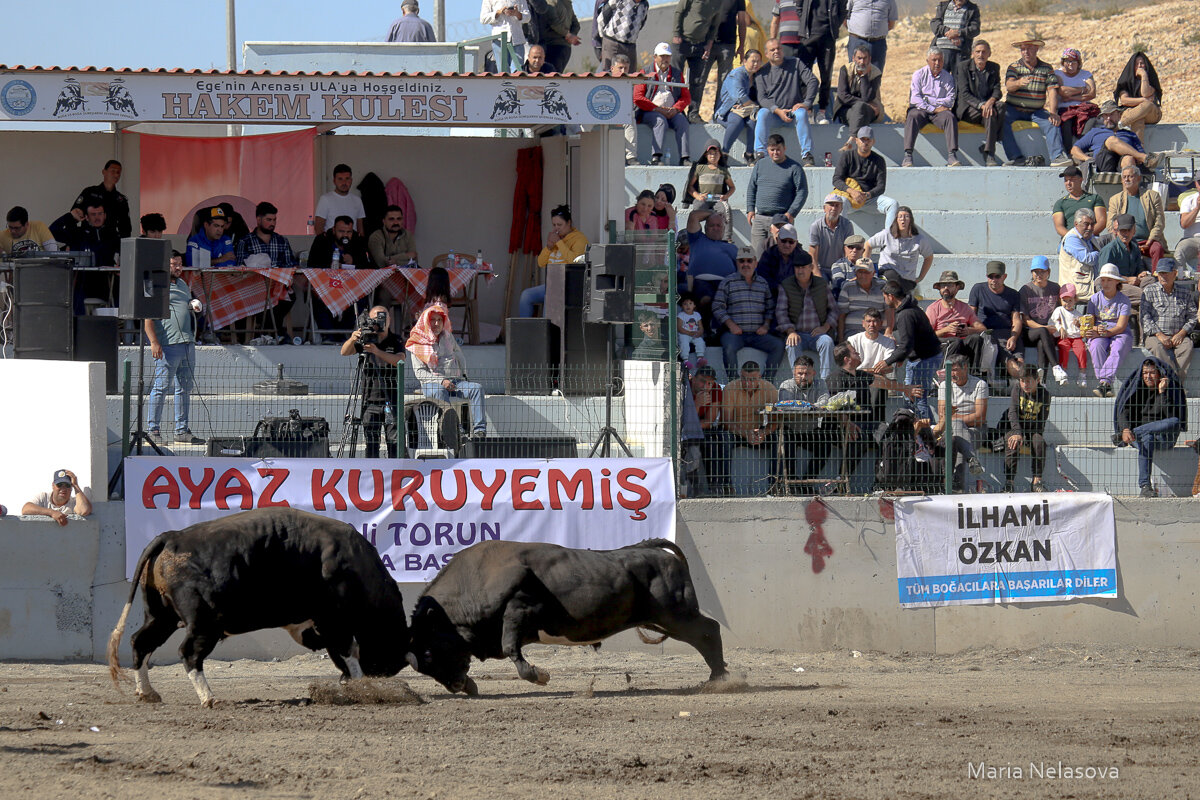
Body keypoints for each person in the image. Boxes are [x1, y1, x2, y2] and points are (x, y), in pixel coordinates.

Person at [828, 340, 920, 491]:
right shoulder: (836, 377)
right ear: (847, 359)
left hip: (870, 423)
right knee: (859, 440)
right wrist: (847, 424)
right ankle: (840, 482)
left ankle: (884, 483)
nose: (858, 354)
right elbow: (833, 406)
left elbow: (882, 382)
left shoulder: (862, 375)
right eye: (854, 352)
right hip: (847, 425)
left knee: (890, 436)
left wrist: (905, 389)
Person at [145, 252, 205, 444]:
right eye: (174, 264)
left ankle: (182, 430)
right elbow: (148, 319)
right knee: (161, 388)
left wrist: (192, 306)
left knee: (184, 389)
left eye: (180, 264)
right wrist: (154, 342)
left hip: (187, 343)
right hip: (168, 345)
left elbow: (183, 307)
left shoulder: (183, 285)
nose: (178, 268)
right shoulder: (157, 286)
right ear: (165, 265)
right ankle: (153, 430)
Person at [406, 303, 488, 440]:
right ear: (426, 321)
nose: (436, 323)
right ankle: (456, 429)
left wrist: (463, 376)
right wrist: (442, 381)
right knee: (439, 391)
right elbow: (420, 373)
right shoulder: (417, 343)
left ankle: (480, 431)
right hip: (432, 383)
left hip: (455, 381)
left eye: (439, 320)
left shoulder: (447, 337)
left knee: (476, 389)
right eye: (433, 320)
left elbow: (459, 356)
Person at [1114, 357, 1186, 498]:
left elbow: (1171, 418)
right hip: (1140, 438)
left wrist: (1162, 393)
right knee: (1147, 438)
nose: (1148, 376)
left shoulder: (1168, 390)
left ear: (1159, 374)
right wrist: (1125, 429)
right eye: (1145, 373)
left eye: (1152, 373)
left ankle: (1137, 432)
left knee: (1175, 421)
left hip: (1164, 437)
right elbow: (1124, 412)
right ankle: (1145, 486)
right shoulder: (1136, 390)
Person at [714, 246, 785, 382]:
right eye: (742, 261)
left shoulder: (763, 283)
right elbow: (717, 306)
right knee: (728, 348)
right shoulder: (728, 282)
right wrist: (731, 325)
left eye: (749, 261)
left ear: (755, 263)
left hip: (757, 335)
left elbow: (770, 308)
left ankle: (766, 383)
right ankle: (734, 384)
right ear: (737, 263)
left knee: (778, 345)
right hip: (735, 334)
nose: (745, 264)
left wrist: (766, 325)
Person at [341, 305, 404, 457]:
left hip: (391, 399)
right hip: (370, 400)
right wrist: (353, 338)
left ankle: (395, 473)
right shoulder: (365, 338)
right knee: (371, 443)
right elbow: (344, 352)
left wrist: (377, 351)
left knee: (394, 441)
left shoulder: (395, 340)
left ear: (389, 320)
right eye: (375, 318)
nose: (379, 321)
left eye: (383, 317)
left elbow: (400, 360)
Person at [876, 280, 941, 422]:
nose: (884, 299)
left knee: (917, 397)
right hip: (921, 357)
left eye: (884, 296)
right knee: (910, 397)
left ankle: (927, 435)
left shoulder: (905, 314)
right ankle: (920, 432)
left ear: (891, 296)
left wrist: (887, 361)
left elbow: (906, 344)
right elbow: (911, 342)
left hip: (924, 359)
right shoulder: (910, 310)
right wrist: (901, 357)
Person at [1002, 38, 1069, 168]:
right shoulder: (1014, 67)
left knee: (1052, 121)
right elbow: (1009, 86)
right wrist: (1018, 83)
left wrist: (1053, 112)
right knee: (1001, 120)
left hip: (1036, 110)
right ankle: (1015, 157)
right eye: (1023, 49)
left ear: (1036, 49)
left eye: (1029, 49)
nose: (1026, 52)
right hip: (1013, 108)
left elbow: (1052, 90)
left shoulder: (1046, 68)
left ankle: (1057, 156)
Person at [236, 202, 299, 341]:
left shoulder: (282, 240)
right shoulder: (245, 241)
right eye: (269, 220)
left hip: (278, 286)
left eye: (274, 220)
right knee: (260, 300)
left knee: (290, 297)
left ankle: (267, 332)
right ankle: (276, 333)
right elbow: (240, 268)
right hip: (254, 287)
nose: (272, 223)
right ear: (258, 220)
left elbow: (290, 265)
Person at [753, 38, 818, 166]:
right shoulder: (761, 73)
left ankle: (807, 155)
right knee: (762, 113)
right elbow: (762, 98)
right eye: (772, 50)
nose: (776, 51)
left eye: (778, 48)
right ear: (766, 54)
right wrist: (777, 111)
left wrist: (806, 103)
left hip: (793, 112)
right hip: (774, 114)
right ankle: (760, 154)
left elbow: (812, 81)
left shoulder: (796, 63)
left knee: (802, 114)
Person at [775, 251, 836, 378]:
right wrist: (790, 331)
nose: (800, 271)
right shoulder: (786, 285)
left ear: (811, 268)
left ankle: (826, 383)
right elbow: (781, 312)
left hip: (818, 334)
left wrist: (825, 327)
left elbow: (834, 310)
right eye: (797, 267)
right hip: (797, 333)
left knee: (827, 342)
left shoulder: (821, 284)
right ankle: (797, 381)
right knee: (791, 344)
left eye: (803, 267)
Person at [746, 133, 808, 256]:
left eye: (778, 149)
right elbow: (752, 188)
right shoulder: (760, 165)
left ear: (784, 148)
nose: (775, 153)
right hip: (759, 219)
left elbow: (802, 191)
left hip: (781, 219)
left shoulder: (794, 168)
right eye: (772, 150)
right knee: (757, 257)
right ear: (767, 150)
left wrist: (791, 213)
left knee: (780, 257)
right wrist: (750, 209)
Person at [932, 354, 987, 491]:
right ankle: (971, 461)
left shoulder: (980, 384)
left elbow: (980, 417)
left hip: (975, 431)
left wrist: (955, 418)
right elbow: (942, 416)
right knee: (956, 438)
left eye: (955, 369)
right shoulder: (945, 385)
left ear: (965, 368)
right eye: (949, 370)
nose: (952, 373)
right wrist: (956, 420)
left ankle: (954, 488)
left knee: (956, 431)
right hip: (951, 432)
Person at [520, 204, 588, 317]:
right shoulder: (556, 239)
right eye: (554, 225)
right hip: (552, 284)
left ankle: (547, 332)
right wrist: (549, 247)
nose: (556, 228)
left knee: (549, 296)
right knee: (526, 295)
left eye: (560, 224)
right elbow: (540, 263)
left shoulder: (579, 239)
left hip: (569, 286)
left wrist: (559, 243)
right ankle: (525, 332)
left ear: (569, 223)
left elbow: (575, 262)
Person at [776, 356, 832, 489]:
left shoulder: (821, 384)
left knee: (826, 445)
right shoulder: (786, 385)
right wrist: (811, 407)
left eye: (807, 373)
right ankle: (791, 484)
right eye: (799, 374)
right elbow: (786, 407)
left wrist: (802, 406)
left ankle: (807, 482)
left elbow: (825, 403)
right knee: (786, 443)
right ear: (794, 373)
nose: (803, 377)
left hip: (811, 430)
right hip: (791, 430)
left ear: (814, 373)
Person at [633, 43, 692, 167]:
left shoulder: (676, 73)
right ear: (655, 57)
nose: (665, 59)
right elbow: (638, 97)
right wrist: (657, 109)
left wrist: (676, 109)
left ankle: (685, 157)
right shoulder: (645, 72)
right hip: (650, 111)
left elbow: (686, 97)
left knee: (682, 121)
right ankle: (656, 157)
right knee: (660, 121)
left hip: (672, 111)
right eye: (662, 56)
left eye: (668, 56)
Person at [968, 260, 1025, 384]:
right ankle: (1025, 379)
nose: (994, 279)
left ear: (1004, 277)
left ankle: (1026, 379)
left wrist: (1014, 337)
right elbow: (971, 315)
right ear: (987, 277)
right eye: (990, 276)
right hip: (988, 333)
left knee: (1019, 359)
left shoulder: (1013, 294)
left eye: (997, 276)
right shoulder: (978, 289)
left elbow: (1016, 319)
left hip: (1008, 332)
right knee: (1010, 359)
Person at [790, 0, 846, 125]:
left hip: (828, 37)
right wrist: (805, 24)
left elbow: (843, 11)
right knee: (804, 75)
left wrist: (834, 26)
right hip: (808, 36)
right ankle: (808, 111)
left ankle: (822, 111)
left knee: (826, 74)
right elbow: (799, 7)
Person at [831, 125, 899, 229]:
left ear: (873, 142)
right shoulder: (847, 156)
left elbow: (881, 186)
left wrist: (866, 195)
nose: (865, 142)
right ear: (857, 140)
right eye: (862, 139)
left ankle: (888, 240)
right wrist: (852, 192)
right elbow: (836, 179)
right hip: (849, 198)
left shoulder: (879, 160)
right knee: (840, 202)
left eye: (868, 140)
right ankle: (841, 240)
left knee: (893, 204)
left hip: (869, 199)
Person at [902, 48, 960, 168]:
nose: (937, 63)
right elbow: (915, 99)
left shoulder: (947, 77)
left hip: (939, 113)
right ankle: (908, 155)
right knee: (912, 116)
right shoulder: (918, 74)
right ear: (927, 61)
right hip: (922, 110)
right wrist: (933, 107)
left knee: (949, 117)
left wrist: (929, 101)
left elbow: (950, 100)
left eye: (940, 60)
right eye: (934, 60)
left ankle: (952, 155)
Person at [1068, 100, 1162, 174]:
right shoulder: (1095, 132)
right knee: (1111, 141)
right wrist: (1086, 158)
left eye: (1112, 114)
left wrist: (1137, 160)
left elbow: (1139, 153)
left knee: (1128, 159)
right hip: (1104, 163)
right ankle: (1145, 158)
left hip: (1123, 165)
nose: (1108, 118)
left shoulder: (1130, 134)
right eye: (1105, 115)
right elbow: (1074, 149)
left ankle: (1127, 196)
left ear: (1119, 115)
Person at [1139, 258, 1195, 379]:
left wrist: (1182, 333)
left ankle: (1172, 384)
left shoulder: (1185, 292)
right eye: (1160, 273)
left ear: (1175, 273)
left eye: (1166, 273)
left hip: (1178, 336)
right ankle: (1174, 382)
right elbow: (1145, 317)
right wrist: (1159, 335)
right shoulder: (1149, 291)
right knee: (1158, 347)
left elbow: (1192, 317)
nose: (1163, 276)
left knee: (1187, 346)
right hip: (1155, 336)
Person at [1085, 263, 1133, 397]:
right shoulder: (1094, 299)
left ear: (1117, 281)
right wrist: (1095, 329)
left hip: (1119, 333)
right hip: (1100, 332)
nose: (1105, 283)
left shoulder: (1124, 300)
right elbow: (1090, 322)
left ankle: (1104, 382)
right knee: (1095, 346)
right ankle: (1105, 384)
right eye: (1103, 280)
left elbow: (1121, 326)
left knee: (1118, 347)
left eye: (1109, 280)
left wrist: (1105, 332)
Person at [954, 40, 1005, 167]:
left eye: (984, 52)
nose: (980, 55)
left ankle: (987, 147)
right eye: (977, 52)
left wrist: (990, 101)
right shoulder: (963, 67)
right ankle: (990, 153)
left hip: (987, 107)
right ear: (972, 53)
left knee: (1001, 107)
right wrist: (982, 106)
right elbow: (964, 93)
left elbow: (997, 90)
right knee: (990, 113)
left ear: (989, 54)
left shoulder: (994, 67)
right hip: (968, 108)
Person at [671, 0, 724, 121]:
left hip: (700, 45)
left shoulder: (718, 2)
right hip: (682, 42)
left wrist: (709, 43)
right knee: (676, 78)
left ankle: (693, 113)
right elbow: (679, 11)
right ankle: (677, 110)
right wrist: (676, 33)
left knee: (697, 81)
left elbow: (714, 25)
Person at [695, 0, 748, 118]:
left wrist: (741, 45)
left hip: (728, 44)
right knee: (700, 79)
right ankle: (693, 112)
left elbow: (742, 21)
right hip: (706, 44)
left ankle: (718, 114)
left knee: (724, 82)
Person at [1107, 165, 1167, 271]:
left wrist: (1149, 241)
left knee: (1157, 248)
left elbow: (1159, 221)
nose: (1127, 179)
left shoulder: (1152, 196)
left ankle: (1156, 279)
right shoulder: (1115, 200)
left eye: (1130, 176)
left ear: (1138, 178)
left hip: (1148, 241)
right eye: (1124, 177)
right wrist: (1125, 241)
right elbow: (1111, 224)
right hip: (1125, 241)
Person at [1003, 363, 1050, 493]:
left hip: (1033, 429)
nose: (1025, 384)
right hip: (1015, 427)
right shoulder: (1017, 389)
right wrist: (1018, 433)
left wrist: (1029, 435)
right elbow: (1012, 412)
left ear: (1038, 380)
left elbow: (1042, 420)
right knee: (1012, 441)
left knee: (1039, 442)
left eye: (1029, 381)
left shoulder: (1045, 394)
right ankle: (1009, 483)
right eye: (1022, 381)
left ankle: (1037, 482)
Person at [864, 206, 933, 294]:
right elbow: (868, 245)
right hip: (888, 277)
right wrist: (867, 267)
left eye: (906, 216)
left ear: (911, 220)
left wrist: (920, 277)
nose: (903, 220)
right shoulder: (886, 234)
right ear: (896, 219)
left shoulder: (919, 239)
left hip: (907, 280)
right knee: (891, 276)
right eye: (900, 216)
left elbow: (929, 257)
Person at [685, 206, 737, 322]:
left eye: (719, 225)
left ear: (723, 229)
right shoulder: (697, 239)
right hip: (701, 282)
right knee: (707, 298)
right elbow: (693, 216)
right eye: (712, 225)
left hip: (725, 284)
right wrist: (713, 213)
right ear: (706, 228)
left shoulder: (732, 248)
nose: (715, 228)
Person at [926, 269, 987, 368]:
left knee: (976, 338)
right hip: (941, 345)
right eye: (942, 285)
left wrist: (969, 330)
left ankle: (973, 373)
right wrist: (946, 330)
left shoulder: (964, 307)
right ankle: (944, 374)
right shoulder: (933, 308)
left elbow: (982, 329)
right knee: (955, 341)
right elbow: (926, 336)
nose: (945, 288)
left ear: (957, 287)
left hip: (961, 343)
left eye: (950, 285)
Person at [714, 48, 764, 164]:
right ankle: (724, 153)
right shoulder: (737, 74)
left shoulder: (758, 77)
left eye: (758, 61)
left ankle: (749, 154)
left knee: (753, 122)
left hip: (747, 111)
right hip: (728, 111)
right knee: (737, 122)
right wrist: (752, 105)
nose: (756, 64)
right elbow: (739, 96)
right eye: (753, 61)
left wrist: (752, 105)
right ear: (745, 61)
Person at [722, 360, 779, 458]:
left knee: (780, 438)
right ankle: (722, 474)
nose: (748, 383)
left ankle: (775, 474)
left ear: (759, 378)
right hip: (737, 431)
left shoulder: (770, 389)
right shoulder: (730, 388)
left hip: (760, 431)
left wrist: (763, 433)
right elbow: (727, 421)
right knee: (723, 439)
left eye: (752, 379)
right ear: (740, 375)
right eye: (744, 379)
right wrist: (745, 434)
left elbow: (774, 420)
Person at [833, 45, 883, 151]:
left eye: (865, 58)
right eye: (859, 58)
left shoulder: (875, 73)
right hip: (846, 109)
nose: (862, 61)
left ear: (869, 59)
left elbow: (868, 97)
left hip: (868, 111)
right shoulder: (845, 70)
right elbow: (842, 96)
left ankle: (851, 139)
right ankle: (854, 141)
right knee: (859, 108)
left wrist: (864, 76)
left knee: (860, 108)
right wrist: (862, 103)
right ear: (853, 58)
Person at [1019, 255, 1061, 376]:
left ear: (1048, 272)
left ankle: (1041, 378)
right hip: (1030, 332)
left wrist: (1053, 327)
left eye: (1042, 271)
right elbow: (1026, 320)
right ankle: (1056, 366)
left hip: (1050, 332)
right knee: (1043, 331)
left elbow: (1061, 311)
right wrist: (1045, 328)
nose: (1039, 275)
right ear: (1031, 273)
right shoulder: (1026, 289)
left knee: (1043, 342)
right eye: (1035, 272)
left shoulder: (1055, 288)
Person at [73, 159, 131, 239]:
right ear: (104, 172)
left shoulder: (120, 200)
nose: (116, 175)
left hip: (109, 242)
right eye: (113, 171)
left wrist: (125, 247)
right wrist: (72, 242)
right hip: (88, 239)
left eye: (118, 172)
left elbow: (125, 228)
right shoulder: (89, 192)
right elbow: (74, 215)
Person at [688, 139, 736, 235]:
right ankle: (696, 235)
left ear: (720, 155)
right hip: (703, 198)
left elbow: (732, 187)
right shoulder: (700, 168)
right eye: (710, 153)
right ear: (706, 155)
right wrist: (697, 196)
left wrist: (725, 196)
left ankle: (727, 238)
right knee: (696, 210)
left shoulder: (723, 170)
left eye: (715, 153)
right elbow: (690, 187)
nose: (713, 156)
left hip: (717, 199)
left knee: (725, 209)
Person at [1054, 47, 1096, 150]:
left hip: (1083, 108)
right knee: (1065, 123)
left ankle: (1083, 149)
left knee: (1090, 121)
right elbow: (1062, 92)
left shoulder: (1086, 74)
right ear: (1063, 62)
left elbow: (1092, 93)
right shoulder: (1058, 74)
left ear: (1078, 63)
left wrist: (1071, 97)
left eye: (1073, 61)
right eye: (1067, 61)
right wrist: (1083, 89)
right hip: (1065, 109)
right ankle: (1069, 151)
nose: (1070, 64)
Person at [1113, 52, 1162, 140]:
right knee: (1138, 119)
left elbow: (1145, 93)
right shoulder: (1126, 82)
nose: (1140, 66)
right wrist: (1143, 100)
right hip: (1134, 114)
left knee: (1148, 105)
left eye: (1142, 63)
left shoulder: (1151, 79)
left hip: (1151, 113)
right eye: (1136, 64)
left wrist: (1143, 75)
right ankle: (1139, 150)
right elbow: (1124, 100)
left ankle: (1121, 124)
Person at [837, 256, 886, 338]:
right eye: (860, 272)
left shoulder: (883, 286)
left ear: (873, 273)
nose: (863, 275)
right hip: (852, 334)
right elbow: (841, 315)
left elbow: (889, 310)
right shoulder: (848, 287)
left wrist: (888, 332)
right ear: (855, 273)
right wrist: (841, 340)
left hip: (877, 333)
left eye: (866, 272)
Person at [1052, 165, 1106, 238]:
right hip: (1070, 239)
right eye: (1066, 180)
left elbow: (1101, 222)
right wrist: (1074, 237)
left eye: (1072, 179)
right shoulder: (1060, 203)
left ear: (1081, 180)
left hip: (1091, 238)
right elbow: (1059, 227)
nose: (1068, 183)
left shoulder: (1095, 198)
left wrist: (1087, 235)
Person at [1049, 282, 1087, 387]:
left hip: (1076, 338)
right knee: (1063, 347)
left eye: (1070, 300)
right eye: (1064, 300)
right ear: (1060, 300)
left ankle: (1082, 374)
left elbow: (1083, 329)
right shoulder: (1059, 310)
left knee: (1081, 350)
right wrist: (1060, 327)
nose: (1067, 303)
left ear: (1075, 300)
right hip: (1064, 337)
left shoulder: (1078, 314)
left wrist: (1079, 325)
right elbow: (1053, 321)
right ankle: (1063, 371)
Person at [756, 223, 811, 295]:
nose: (787, 245)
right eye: (784, 241)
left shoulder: (803, 257)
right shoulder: (768, 255)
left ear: (796, 243)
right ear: (777, 240)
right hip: (771, 295)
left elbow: (807, 280)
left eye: (791, 242)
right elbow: (762, 278)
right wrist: (779, 288)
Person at [808, 193, 852, 283]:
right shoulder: (816, 226)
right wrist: (818, 276)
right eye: (831, 205)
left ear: (841, 209)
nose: (834, 208)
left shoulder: (847, 225)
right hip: (821, 268)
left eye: (837, 205)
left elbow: (848, 251)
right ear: (824, 208)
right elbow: (812, 255)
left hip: (840, 267)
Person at [22, 469, 92, 525]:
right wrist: (52, 513)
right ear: (53, 485)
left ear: (71, 488)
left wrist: (75, 485)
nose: (63, 489)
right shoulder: (44, 497)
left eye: (67, 485)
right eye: (60, 485)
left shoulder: (74, 502)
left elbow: (84, 510)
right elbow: (26, 509)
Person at [845, 0, 897, 74]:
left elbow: (891, 23)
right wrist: (856, 29)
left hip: (878, 43)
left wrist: (878, 32)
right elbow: (844, 16)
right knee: (855, 75)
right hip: (857, 41)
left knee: (875, 76)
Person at [1057, 208, 1099, 298]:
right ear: (1076, 224)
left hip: (1089, 286)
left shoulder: (1089, 237)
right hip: (1075, 291)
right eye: (1086, 224)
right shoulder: (1071, 238)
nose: (1090, 228)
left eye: (1092, 224)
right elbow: (1088, 259)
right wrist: (1102, 253)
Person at [314, 164, 366, 237]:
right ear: (334, 181)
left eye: (347, 178)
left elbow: (360, 229)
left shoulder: (357, 200)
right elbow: (318, 228)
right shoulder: (325, 199)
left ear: (351, 180)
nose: (344, 183)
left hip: (351, 245)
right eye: (340, 179)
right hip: (331, 245)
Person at [529, 0, 581, 72]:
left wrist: (568, 35)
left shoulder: (551, 2)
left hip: (553, 45)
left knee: (550, 76)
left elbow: (554, 22)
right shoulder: (567, 3)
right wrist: (571, 36)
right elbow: (576, 25)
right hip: (565, 47)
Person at [596, 0, 648, 70]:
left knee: (631, 76)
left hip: (630, 46)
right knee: (610, 73)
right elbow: (602, 17)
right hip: (612, 43)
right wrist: (603, 39)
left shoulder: (645, 5)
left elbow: (641, 24)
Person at [928, 0, 979, 71]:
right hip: (941, 51)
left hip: (961, 52)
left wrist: (958, 33)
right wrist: (948, 32)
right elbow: (935, 24)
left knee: (959, 79)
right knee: (940, 78)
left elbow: (975, 29)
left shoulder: (972, 8)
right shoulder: (943, 6)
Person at [481, 0, 531, 71]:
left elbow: (528, 17)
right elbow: (483, 18)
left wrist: (517, 14)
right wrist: (499, 12)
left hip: (517, 39)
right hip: (499, 40)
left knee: (518, 71)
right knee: (503, 71)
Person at [847, 306, 894, 371]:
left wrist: (866, 371)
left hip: (879, 378)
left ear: (881, 323)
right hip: (857, 378)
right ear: (863, 323)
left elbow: (889, 368)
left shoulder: (888, 342)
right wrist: (872, 371)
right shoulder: (853, 340)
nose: (871, 324)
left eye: (875, 321)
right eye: (868, 321)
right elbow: (849, 366)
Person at [828, 233, 867, 299]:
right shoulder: (837, 265)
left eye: (858, 248)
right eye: (851, 247)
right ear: (845, 248)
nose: (854, 250)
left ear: (863, 251)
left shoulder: (867, 265)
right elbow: (840, 284)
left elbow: (874, 283)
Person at [677, 291, 706, 368]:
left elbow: (700, 326)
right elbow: (679, 328)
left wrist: (700, 332)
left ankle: (700, 358)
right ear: (682, 306)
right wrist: (688, 333)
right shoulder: (681, 315)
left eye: (690, 303)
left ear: (694, 305)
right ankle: (685, 360)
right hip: (684, 334)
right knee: (684, 344)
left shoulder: (697, 315)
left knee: (700, 342)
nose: (688, 306)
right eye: (685, 304)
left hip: (694, 334)